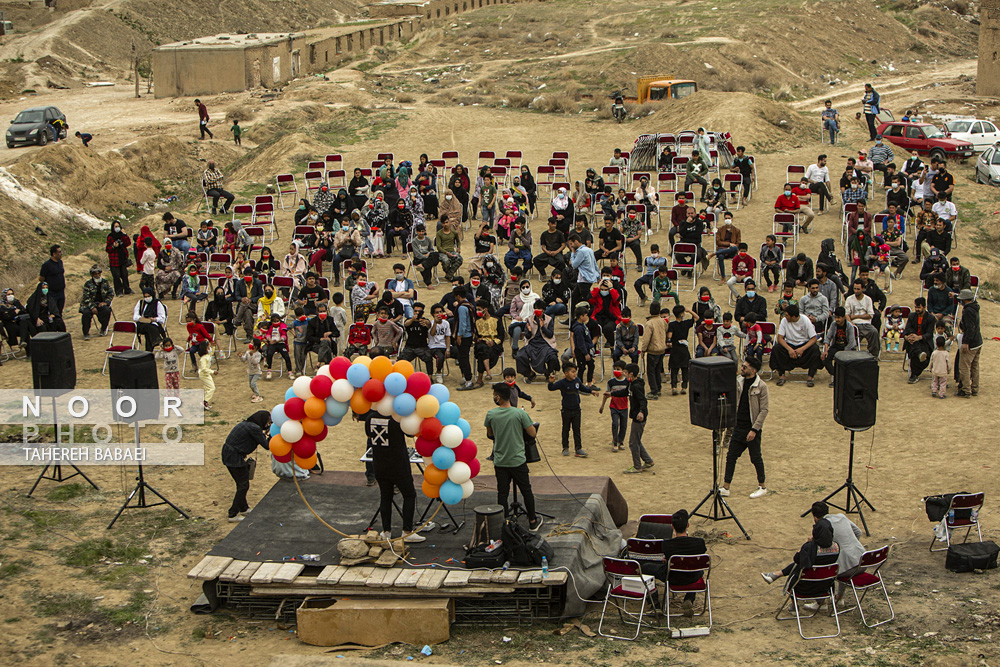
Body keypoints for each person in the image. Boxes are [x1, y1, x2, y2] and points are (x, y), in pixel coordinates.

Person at [486, 382, 542, 531]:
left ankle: (503, 524)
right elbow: (532, 433)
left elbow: (490, 434)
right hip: (517, 460)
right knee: (526, 491)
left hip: (500, 461)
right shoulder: (520, 414)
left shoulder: (491, 414)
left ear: (498, 397)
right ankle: (532, 521)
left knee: (502, 493)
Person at [365, 410, 425, 543]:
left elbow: (369, 435)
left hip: (379, 463)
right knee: (409, 495)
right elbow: (410, 432)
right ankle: (407, 532)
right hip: (398, 464)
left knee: (386, 497)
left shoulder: (370, 417)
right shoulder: (397, 417)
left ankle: (386, 532)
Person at [761, 518, 840, 609]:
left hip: (803, 588)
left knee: (800, 567)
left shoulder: (809, 547)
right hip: (825, 587)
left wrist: (808, 544)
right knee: (818, 567)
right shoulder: (837, 547)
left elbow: (796, 559)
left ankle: (794, 606)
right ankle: (821, 603)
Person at [719, 357, 769, 498]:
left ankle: (762, 486)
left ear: (753, 370)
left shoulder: (762, 387)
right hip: (738, 427)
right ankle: (726, 487)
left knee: (756, 458)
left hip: (751, 429)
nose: (742, 368)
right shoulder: (738, 382)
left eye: (745, 367)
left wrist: (754, 429)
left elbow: (764, 410)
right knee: (731, 456)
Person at [641, 509, 706, 616]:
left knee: (645, 567)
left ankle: (655, 604)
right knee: (698, 566)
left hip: (671, 577)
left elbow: (669, 556)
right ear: (688, 525)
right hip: (692, 577)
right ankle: (689, 598)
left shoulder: (666, 544)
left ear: (672, 526)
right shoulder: (699, 543)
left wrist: (667, 560)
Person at [220, 411, 271, 522]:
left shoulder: (246, 424)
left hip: (229, 453)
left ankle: (244, 508)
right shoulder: (254, 428)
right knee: (243, 485)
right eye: (268, 422)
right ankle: (232, 514)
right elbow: (267, 446)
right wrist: (271, 435)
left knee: (241, 483)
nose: (268, 424)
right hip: (234, 456)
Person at [548, 360, 597, 457]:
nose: (575, 374)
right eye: (573, 372)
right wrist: (550, 382)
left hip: (576, 410)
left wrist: (591, 392)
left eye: (575, 372)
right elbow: (551, 388)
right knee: (566, 429)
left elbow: (583, 388)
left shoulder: (577, 381)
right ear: (566, 373)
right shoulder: (562, 383)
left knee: (577, 429)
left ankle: (578, 449)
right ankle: (565, 447)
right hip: (566, 410)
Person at [623, 362, 655, 474]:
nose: (624, 375)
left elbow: (643, 400)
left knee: (633, 442)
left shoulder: (636, 386)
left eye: (626, 373)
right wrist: (612, 393)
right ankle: (648, 461)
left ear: (631, 374)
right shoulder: (633, 384)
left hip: (639, 417)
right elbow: (624, 392)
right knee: (636, 440)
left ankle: (637, 466)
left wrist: (641, 412)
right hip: (637, 416)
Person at [515, 309, 559, 383]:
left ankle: (548, 372)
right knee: (519, 356)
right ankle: (530, 374)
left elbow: (550, 334)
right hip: (532, 344)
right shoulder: (530, 319)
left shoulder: (549, 319)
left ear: (543, 311)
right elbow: (528, 336)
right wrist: (528, 331)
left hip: (545, 344)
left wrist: (543, 327)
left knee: (553, 357)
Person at [821, 307, 858, 384]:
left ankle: (839, 378)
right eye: (835, 317)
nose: (837, 319)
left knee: (841, 360)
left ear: (844, 317)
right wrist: (825, 350)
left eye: (839, 317)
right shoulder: (834, 325)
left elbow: (851, 342)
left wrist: (843, 353)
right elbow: (828, 338)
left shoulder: (849, 326)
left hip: (847, 348)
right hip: (836, 346)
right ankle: (837, 375)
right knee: (825, 359)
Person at [902, 297, 934, 382]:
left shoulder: (931, 318)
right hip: (911, 341)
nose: (917, 309)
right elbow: (906, 329)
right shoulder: (912, 316)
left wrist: (918, 337)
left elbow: (929, 333)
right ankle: (914, 373)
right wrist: (907, 337)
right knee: (914, 347)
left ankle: (914, 374)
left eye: (919, 307)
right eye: (916, 307)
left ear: (924, 307)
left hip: (924, 341)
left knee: (923, 357)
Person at [956, 289, 981, 398]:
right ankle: (975, 388)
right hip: (978, 341)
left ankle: (966, 390)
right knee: (975, 366)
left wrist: (966, 342)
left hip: (971, 343)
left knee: (964, 367)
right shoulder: (974, 308)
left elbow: (970, 328)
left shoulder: (968, 311)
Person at [79, 265, 114, 340]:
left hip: (101, 303)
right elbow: (86, 297)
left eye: (98, 273)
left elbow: (111, 293)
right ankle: (86, 333)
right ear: (92, 275)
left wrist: (106, 302)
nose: (97, 275)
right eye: (95, 274)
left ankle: (103, 329)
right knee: (86, 314)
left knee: (107, 311)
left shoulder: (105, 282)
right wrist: (92, 307)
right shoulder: (88, 284)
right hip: (89, 304)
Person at [845, 280, 878, 356]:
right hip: (854, 324)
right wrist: (851, 323)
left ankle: (873, 355)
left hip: (866, 324)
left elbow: (870, 315)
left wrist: (855, 316)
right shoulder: (849, 299)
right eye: (855, 289)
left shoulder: (868, 299)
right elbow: (847, 314)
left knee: (874, 332)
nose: (856, 291)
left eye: (858, 289)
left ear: (863, 289)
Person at [569, 232, 599, 306]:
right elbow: (595, 264)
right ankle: (572, 316)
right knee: (574, 296)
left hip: (584, 278)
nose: (571, 246)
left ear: (576, 241)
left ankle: (595, 311)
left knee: (587, 299)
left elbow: (574, 265)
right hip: (588, 277)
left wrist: (573, 253)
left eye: (571, 244)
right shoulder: (589, 250)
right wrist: (598, 275)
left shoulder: (581, 252)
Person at [262, 313, 293, 380]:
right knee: (269, 354)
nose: (276, 323)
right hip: (272, 343)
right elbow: (267, 335)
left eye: (277, 321)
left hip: (280, 343)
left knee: (286, 356)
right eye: (274, 321)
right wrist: (270, 340)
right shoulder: (270, 327)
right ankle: (269, 371)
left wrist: (278, 340)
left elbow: (284, 336)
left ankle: (290, 372)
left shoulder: (282, 326)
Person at [105, 221, 132, 296]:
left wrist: (125, 234)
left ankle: (127, 289)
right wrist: (113, 246)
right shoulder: (110, 237)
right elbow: (108, 249)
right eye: (115, 226)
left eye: (118, 226)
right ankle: (119, 291)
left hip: (122, 259)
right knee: (116, 276)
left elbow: (128, 243)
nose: (117, 228)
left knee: (124, 275)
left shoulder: (122, 236)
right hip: (114, 260)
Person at [38, 244, 66, 316]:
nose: (61, 253)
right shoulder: (46, 265)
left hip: (61, 291)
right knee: (53, 312)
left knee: (60, 311)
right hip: (52, 293)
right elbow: (41, 278)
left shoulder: (60, 262)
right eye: (59, 252)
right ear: (54, 254)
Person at [197, 340, 217, 409]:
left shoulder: (207, 355)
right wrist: (212, 372)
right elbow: (203, 368)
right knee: (212, 388)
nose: (210, 348)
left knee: (207, 389)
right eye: (208, 346)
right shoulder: (203, 358)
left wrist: (214, 347)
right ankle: (205, 402)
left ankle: (205, 402)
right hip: (204, 375)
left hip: (207, 374)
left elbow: (211, 353)